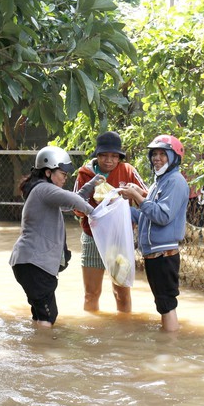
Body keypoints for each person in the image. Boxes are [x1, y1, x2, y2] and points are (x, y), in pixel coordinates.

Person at [10, 145, 103, 328]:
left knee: (40, 315)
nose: (64, 178)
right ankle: (45, 354)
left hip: (29, 264)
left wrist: (90, 186)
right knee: (48, 316)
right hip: (34, 265)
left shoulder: (41, 191)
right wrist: (99, 216)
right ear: (48, 172)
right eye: (62, 173)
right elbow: (73, 200)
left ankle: (35, 352)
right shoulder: (43, 189)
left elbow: (70, 202)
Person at [118, 135, 189, 333]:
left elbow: (162, 215)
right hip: (154, 253)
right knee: (162, 303)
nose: (157, 158)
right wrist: (124, 205)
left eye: (162, 154)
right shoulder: (160, 182)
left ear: (173, 157)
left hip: (164, 254)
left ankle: (170, 348)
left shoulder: (175, 182)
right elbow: (145, 217)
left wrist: (137, 197)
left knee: (166, 303)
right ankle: (167, 343)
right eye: (154, 154)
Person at [73, 131, 148, 314]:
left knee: (122, 293)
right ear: (97, 156)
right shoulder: (85, 173)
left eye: (114, 156)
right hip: (93, 238)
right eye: (104, 155)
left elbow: (147, 198)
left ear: (119, 158)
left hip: (120, 240)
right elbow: (75, 207)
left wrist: (131, 193)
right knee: (91, 293)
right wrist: (93, 199)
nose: (109, 160)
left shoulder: (128, 171)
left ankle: (123, 333)